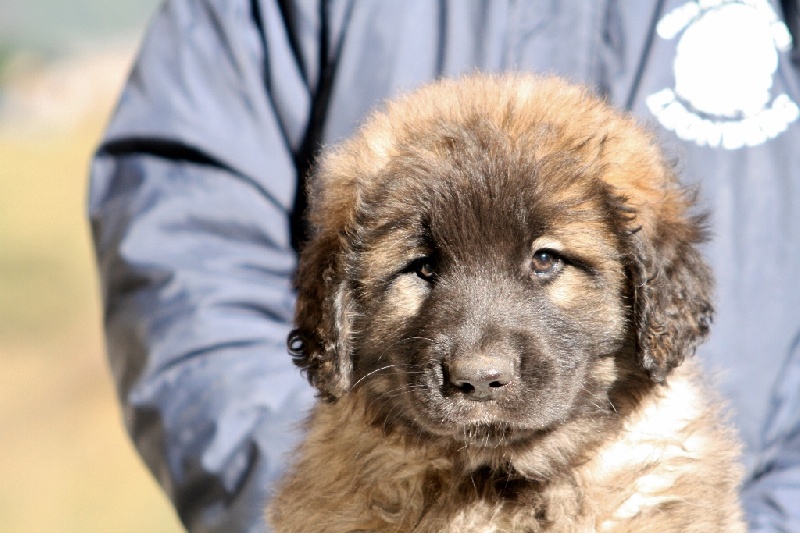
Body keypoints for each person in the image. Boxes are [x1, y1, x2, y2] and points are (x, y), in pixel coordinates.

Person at [89, 1, 800, 531]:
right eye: (421, 268)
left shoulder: (674, 490)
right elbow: (186, 236)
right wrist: (267, 463)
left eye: (547, 260)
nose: (478, 360)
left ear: (651, 286)